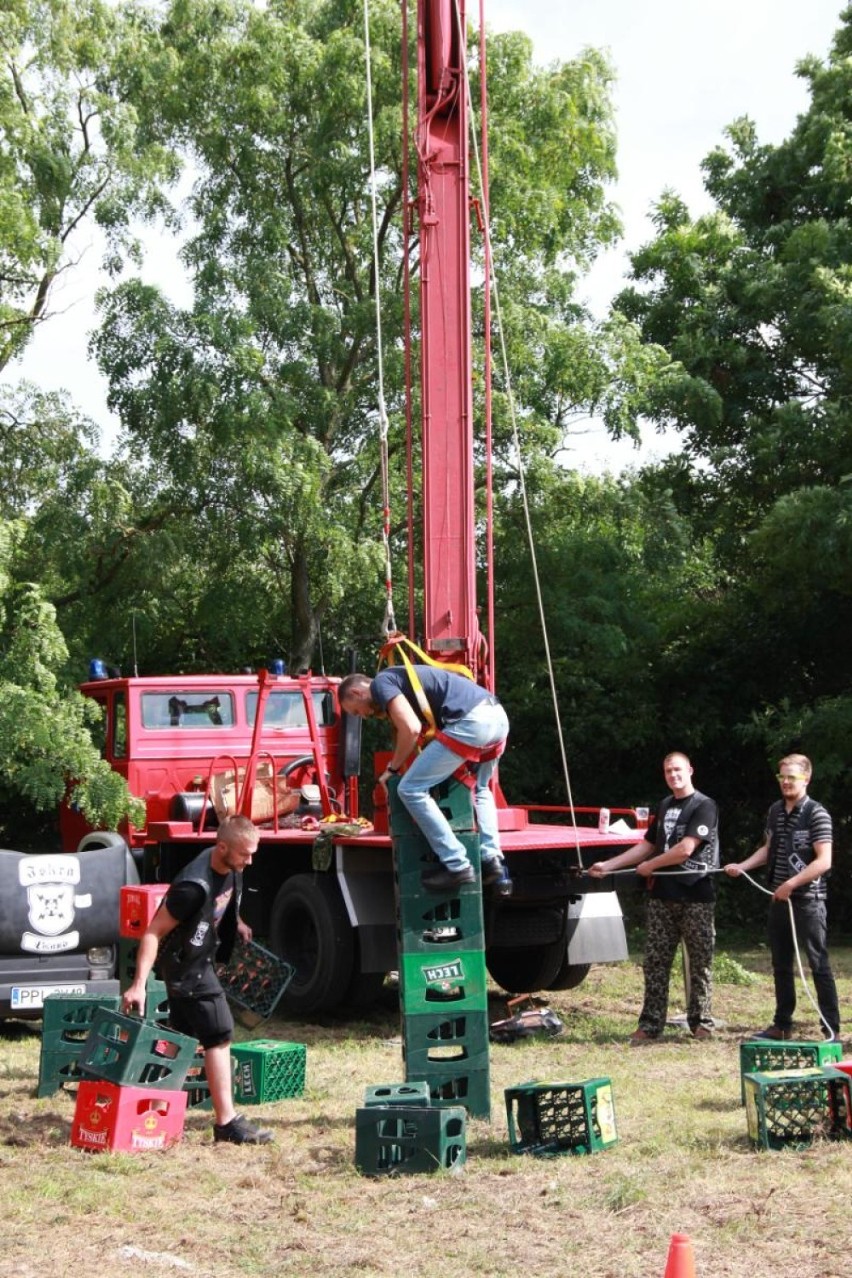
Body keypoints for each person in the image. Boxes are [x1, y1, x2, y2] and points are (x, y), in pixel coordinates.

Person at [122, 814, 273, 1145]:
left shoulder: (228, 866)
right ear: (221, 847)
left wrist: (238, 923)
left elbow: (221, 899)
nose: (249, 861)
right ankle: (227, 1123)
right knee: (219, 1035)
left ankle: (153, 1112)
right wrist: (139, 985)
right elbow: (152, 932)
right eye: (244, 854)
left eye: (252, 853)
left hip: (198, 961)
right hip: (187, 970)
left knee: (179, 1041)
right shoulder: (191, 888)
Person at [338, 666, 510, 893]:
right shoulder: (401, 678)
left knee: (410, 789)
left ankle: (456, 864)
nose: (365, 716)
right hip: (497, 718)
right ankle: (492, 861)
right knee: (480, 789)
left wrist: (393, 768)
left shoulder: (380, 683)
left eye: (357, 711)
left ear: (358, 693)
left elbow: (410, 728)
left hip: (472, 721)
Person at [588, 752, 719, 1044]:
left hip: (696, 894)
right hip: (662, 896)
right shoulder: (664, 805)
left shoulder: (704, 805)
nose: (673, 775)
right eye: (668, 771)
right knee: (655, 962)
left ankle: (702, 1024)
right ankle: (650, 1025)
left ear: (690, 771)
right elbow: (647, 845)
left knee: (700, 963)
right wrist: (609, 865)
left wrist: (651, 866)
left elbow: (686, 849)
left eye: (678, 770)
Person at [725, 754, 840, 1041]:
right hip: (779, 899)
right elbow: (768, 849)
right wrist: (743, 865)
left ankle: (831, 1029)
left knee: (818, 963)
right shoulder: (775, 810)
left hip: (808, 901)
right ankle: (782, 1024)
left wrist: (792, 883)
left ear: (806, 779)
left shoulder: (817, 813)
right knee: (780, 963)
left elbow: (824, 861)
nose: (786, 782)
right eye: (782, 777)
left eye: (792, 777)